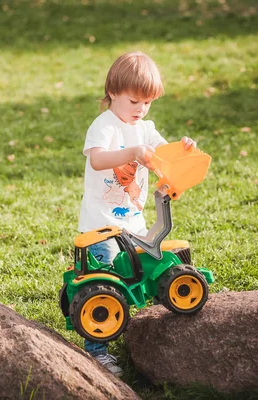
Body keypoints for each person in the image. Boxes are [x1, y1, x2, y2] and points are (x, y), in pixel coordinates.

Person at [78, 51, 197, 376]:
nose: (140, 109)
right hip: (101, 227)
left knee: (146, 274)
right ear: (113, 92)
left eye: (147, 103)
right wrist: (131, 152)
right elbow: (98, 161)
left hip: (133, 222)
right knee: (104, 288)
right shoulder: (104, 126)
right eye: (134, 101)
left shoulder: (145, 127)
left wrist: (183, 146)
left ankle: (154, 334)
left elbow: (163, 153)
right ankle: (96, 350)